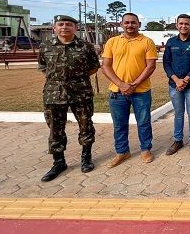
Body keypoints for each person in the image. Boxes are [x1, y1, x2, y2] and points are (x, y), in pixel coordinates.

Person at [38, 15, 100, 182]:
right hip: (54, 94)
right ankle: (59, 162)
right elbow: (43, 66)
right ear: (54, 27)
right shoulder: (45, 46)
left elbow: (94, 66)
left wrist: (75, 78)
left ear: (75, 28)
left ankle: (86, 158)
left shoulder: (85, 46)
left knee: (86, 125)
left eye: (69, 24)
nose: (65, 27)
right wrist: (58, 80)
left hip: (81, 93)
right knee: (55, 129)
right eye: (61, 24)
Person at [102, 12, 158, 167]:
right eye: (126, 22)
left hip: (141, 92)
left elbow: (150, 66)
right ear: (121, 24)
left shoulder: (147, 42)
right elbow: (105, 66)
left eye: (133, 22)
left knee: (144, 122)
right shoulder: (112, 42)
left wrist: (134, 84)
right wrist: (121, 84)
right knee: (119, 124)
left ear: (139, 24)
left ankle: (145, 149)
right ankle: (122, 152)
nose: (130, 25)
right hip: (117, 92)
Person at [163, 14, 190, 156]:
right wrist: (176, 80)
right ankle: (178, 141)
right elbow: (166, 63)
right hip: (175, 84)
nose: (183, 26)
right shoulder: (170, 42)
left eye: (186, 24)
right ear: (176, 25)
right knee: (178, 114)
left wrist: (185, 80)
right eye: (181, 23)